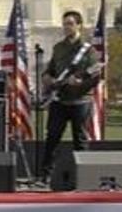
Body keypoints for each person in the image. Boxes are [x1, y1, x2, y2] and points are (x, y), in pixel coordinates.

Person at [40, 10, 101, 180]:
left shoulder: (89, 50)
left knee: (80, 139)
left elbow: (95, 77)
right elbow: (51, 68)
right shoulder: (58, 47)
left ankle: (84, 175)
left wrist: (81, 83)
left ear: (79, 25)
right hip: (59, 99)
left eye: (70, 23)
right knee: (52, 137)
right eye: (65, 23)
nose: (67, 27)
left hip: (80, 101)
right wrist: (46, 77)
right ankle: (46, 174)